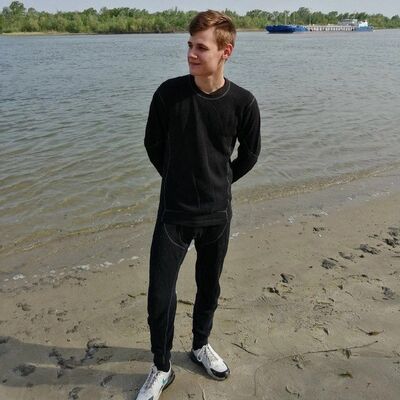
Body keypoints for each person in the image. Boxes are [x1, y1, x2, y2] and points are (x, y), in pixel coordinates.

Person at [137, 10, 261, 400]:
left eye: (201, 47)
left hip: (216, 214)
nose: (191, 53)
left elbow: (250, 154)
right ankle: (161, 366)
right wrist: (177, 179)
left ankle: (200, 345)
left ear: (226, 51)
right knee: (160, 295)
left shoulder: (243, 102)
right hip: (173, 213)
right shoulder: (168, 94)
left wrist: (219, 182)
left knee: (209, 285)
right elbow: (153, 144)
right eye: (190, 45)